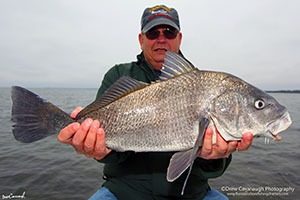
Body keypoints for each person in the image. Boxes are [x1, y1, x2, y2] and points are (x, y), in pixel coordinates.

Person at [58, 5, 253, 200]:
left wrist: (213, 158)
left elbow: (214, 169)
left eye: (169, 32)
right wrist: (99, 149)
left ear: (179, 38)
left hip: (191, 193)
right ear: (141, 40)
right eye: (152, 33)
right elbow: (112, 154)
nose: (161, 39)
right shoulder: (118, 75)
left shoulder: (204, 85)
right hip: (124, 191)